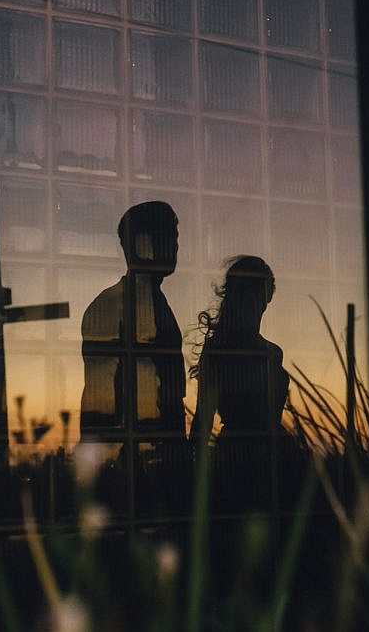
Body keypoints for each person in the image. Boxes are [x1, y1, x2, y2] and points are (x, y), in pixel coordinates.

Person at [190, 256, 291, 511]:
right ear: (237, 295)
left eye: (263, 293)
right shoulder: (218, 351)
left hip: (276, 455)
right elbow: (203, 417)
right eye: (252, 292)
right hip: (237, 459)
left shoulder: (273, 352)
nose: (258, 301)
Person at [79, 201, 185, 438]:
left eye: (174, 237)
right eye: (169, 236)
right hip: (140, 452)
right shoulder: (110, 305)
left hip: (159, 447)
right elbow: (100, 398)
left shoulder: (155, 302)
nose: (176, 246)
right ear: (143, 242)